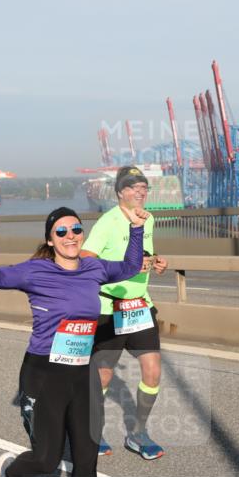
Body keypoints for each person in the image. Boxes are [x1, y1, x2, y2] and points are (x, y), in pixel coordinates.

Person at [0, 202, 147, 477]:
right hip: (44, 374)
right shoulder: (35, 271)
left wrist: (136, 229)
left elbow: (131, 267)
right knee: (46, 460)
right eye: (62, 232)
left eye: (76, 229)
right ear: (50, 240)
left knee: (86, 462)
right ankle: (11, 473)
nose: (71, 236)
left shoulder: (93, 268)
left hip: (82, 374)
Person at [81, 166, 169, 459]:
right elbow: (86, 259)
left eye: (143, 187)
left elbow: (144, 254)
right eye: (133, 187)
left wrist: (156, 262)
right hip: (110, 307)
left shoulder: (149, 218)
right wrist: (121, 268)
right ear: (120, 192)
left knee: (153, 371)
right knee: (104, 376)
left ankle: (138, 434)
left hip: (140, 306)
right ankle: (92, 431)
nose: (140, 192)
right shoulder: (107, 222)